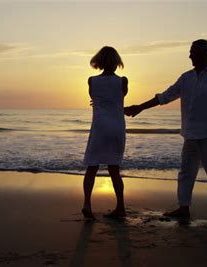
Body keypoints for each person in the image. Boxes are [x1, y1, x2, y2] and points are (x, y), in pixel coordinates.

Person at [124, 39, 207, 221]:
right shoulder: (186, 78)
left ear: (205, 54)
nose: (189, 55)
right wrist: (140, 107)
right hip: (190, 135)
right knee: (185, 173)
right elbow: (165, 96)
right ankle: (184, 208)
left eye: (193, 52)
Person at [82, 46, 128, 220]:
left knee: (92, 167)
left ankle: (87, 204)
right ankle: (120, 207)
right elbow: (120, 97)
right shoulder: (123, 81)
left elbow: (95, 98)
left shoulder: (92, 81)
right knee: (114, 169)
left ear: (99, 62)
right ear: (117, 62)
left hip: (99, 127)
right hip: (116, 127)